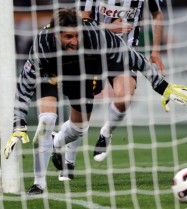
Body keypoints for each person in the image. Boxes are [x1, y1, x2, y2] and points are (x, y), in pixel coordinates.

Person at [3, 8, 187, 195]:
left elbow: (136, 59)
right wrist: (18, 124)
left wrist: (163, 87)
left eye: (77, 36)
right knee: (46, 121)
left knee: (79, 129)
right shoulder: (42, 45)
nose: (75, 42)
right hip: (50, 73)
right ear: (55, 34)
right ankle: (39, 185)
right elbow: (24, 86)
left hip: (80, 73)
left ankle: (57, 140)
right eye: (68, 37)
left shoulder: (95, 35)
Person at [58, 0, 165, 176]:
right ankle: (68, 161)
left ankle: (106, 132)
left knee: (124, 98)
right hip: (92, 51)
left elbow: (157, 14)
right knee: (82, 112)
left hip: (124, 53)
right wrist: (108, 28)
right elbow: (81, 20)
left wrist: (155, 51)